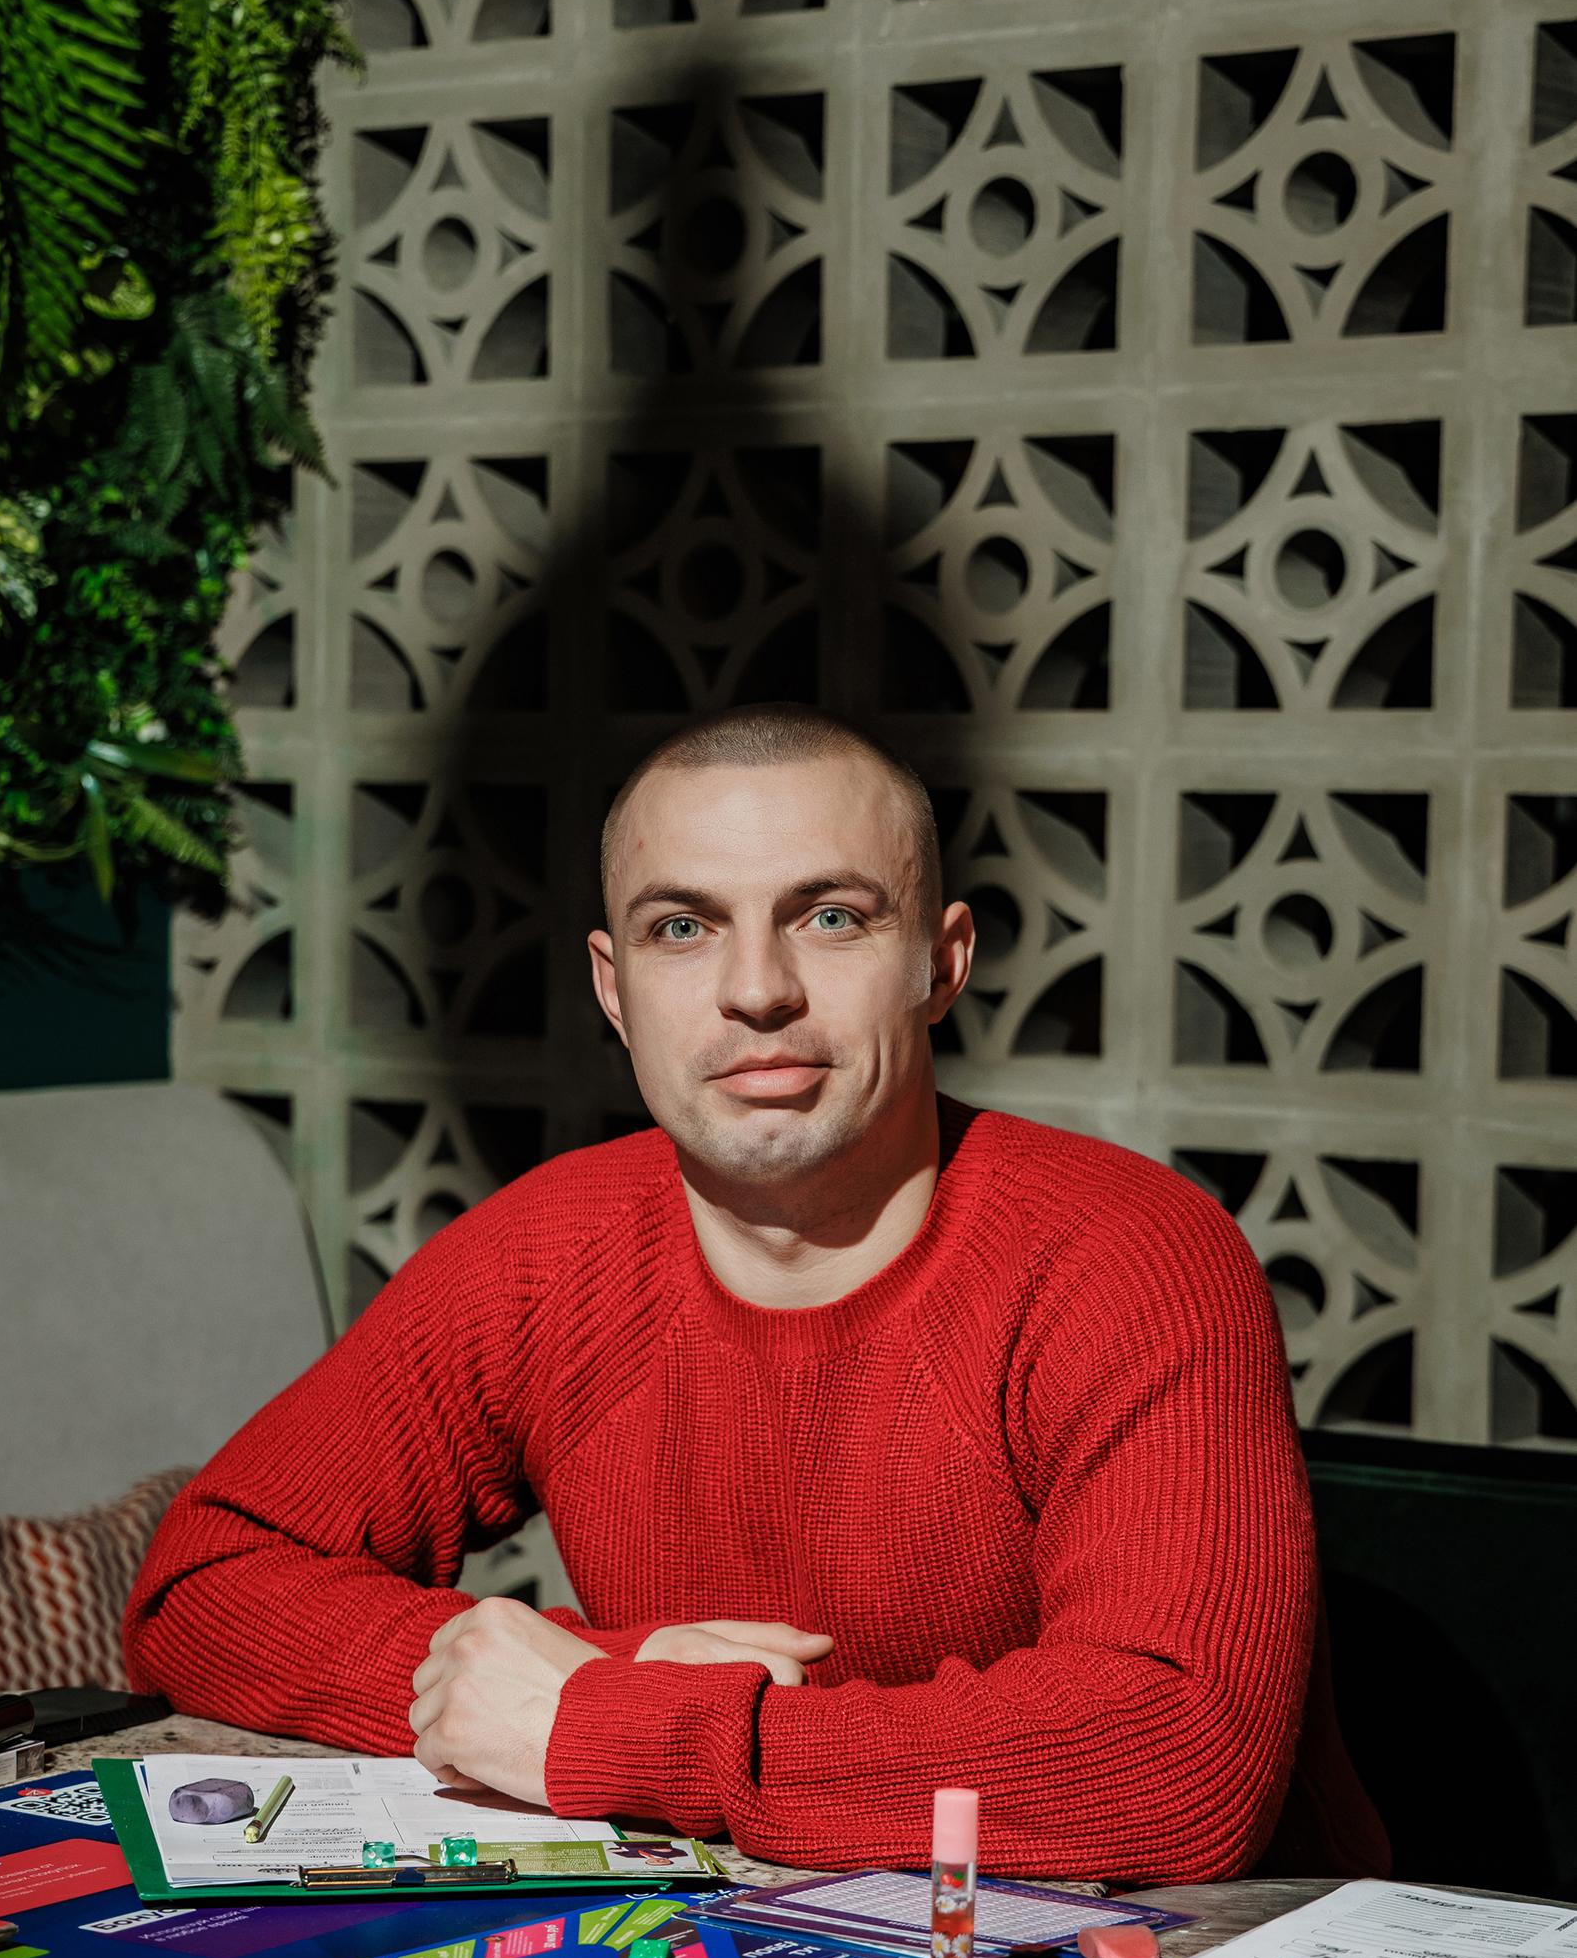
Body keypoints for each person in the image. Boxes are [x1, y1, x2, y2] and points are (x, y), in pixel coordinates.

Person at [124, 704, 1388, 1879]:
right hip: (739, 1948)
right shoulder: (545, 1253)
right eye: (683, 927)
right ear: (615, 989)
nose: (757, 988)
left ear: (941, 963)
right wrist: (607, 1673)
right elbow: (203, 1587)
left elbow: (1176, 1755)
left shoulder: (1132, 1256)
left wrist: (615, 1722)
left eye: (830, 916)